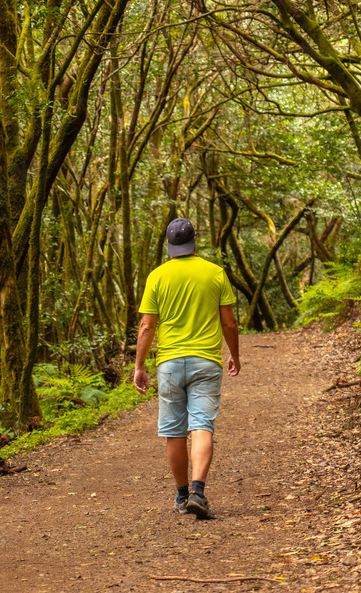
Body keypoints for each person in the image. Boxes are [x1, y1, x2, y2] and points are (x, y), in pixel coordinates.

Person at [133, 217, 240, 520]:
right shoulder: (215, 273)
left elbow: (146, 326)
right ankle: (198, 492)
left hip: (168, 364)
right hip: (206, 361)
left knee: (174, 432)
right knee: (201, 425)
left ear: (169, 244)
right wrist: (235, 355)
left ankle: (182, 497)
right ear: (196, 240)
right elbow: (229, 323)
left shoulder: (157, 276)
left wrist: (139, 366)